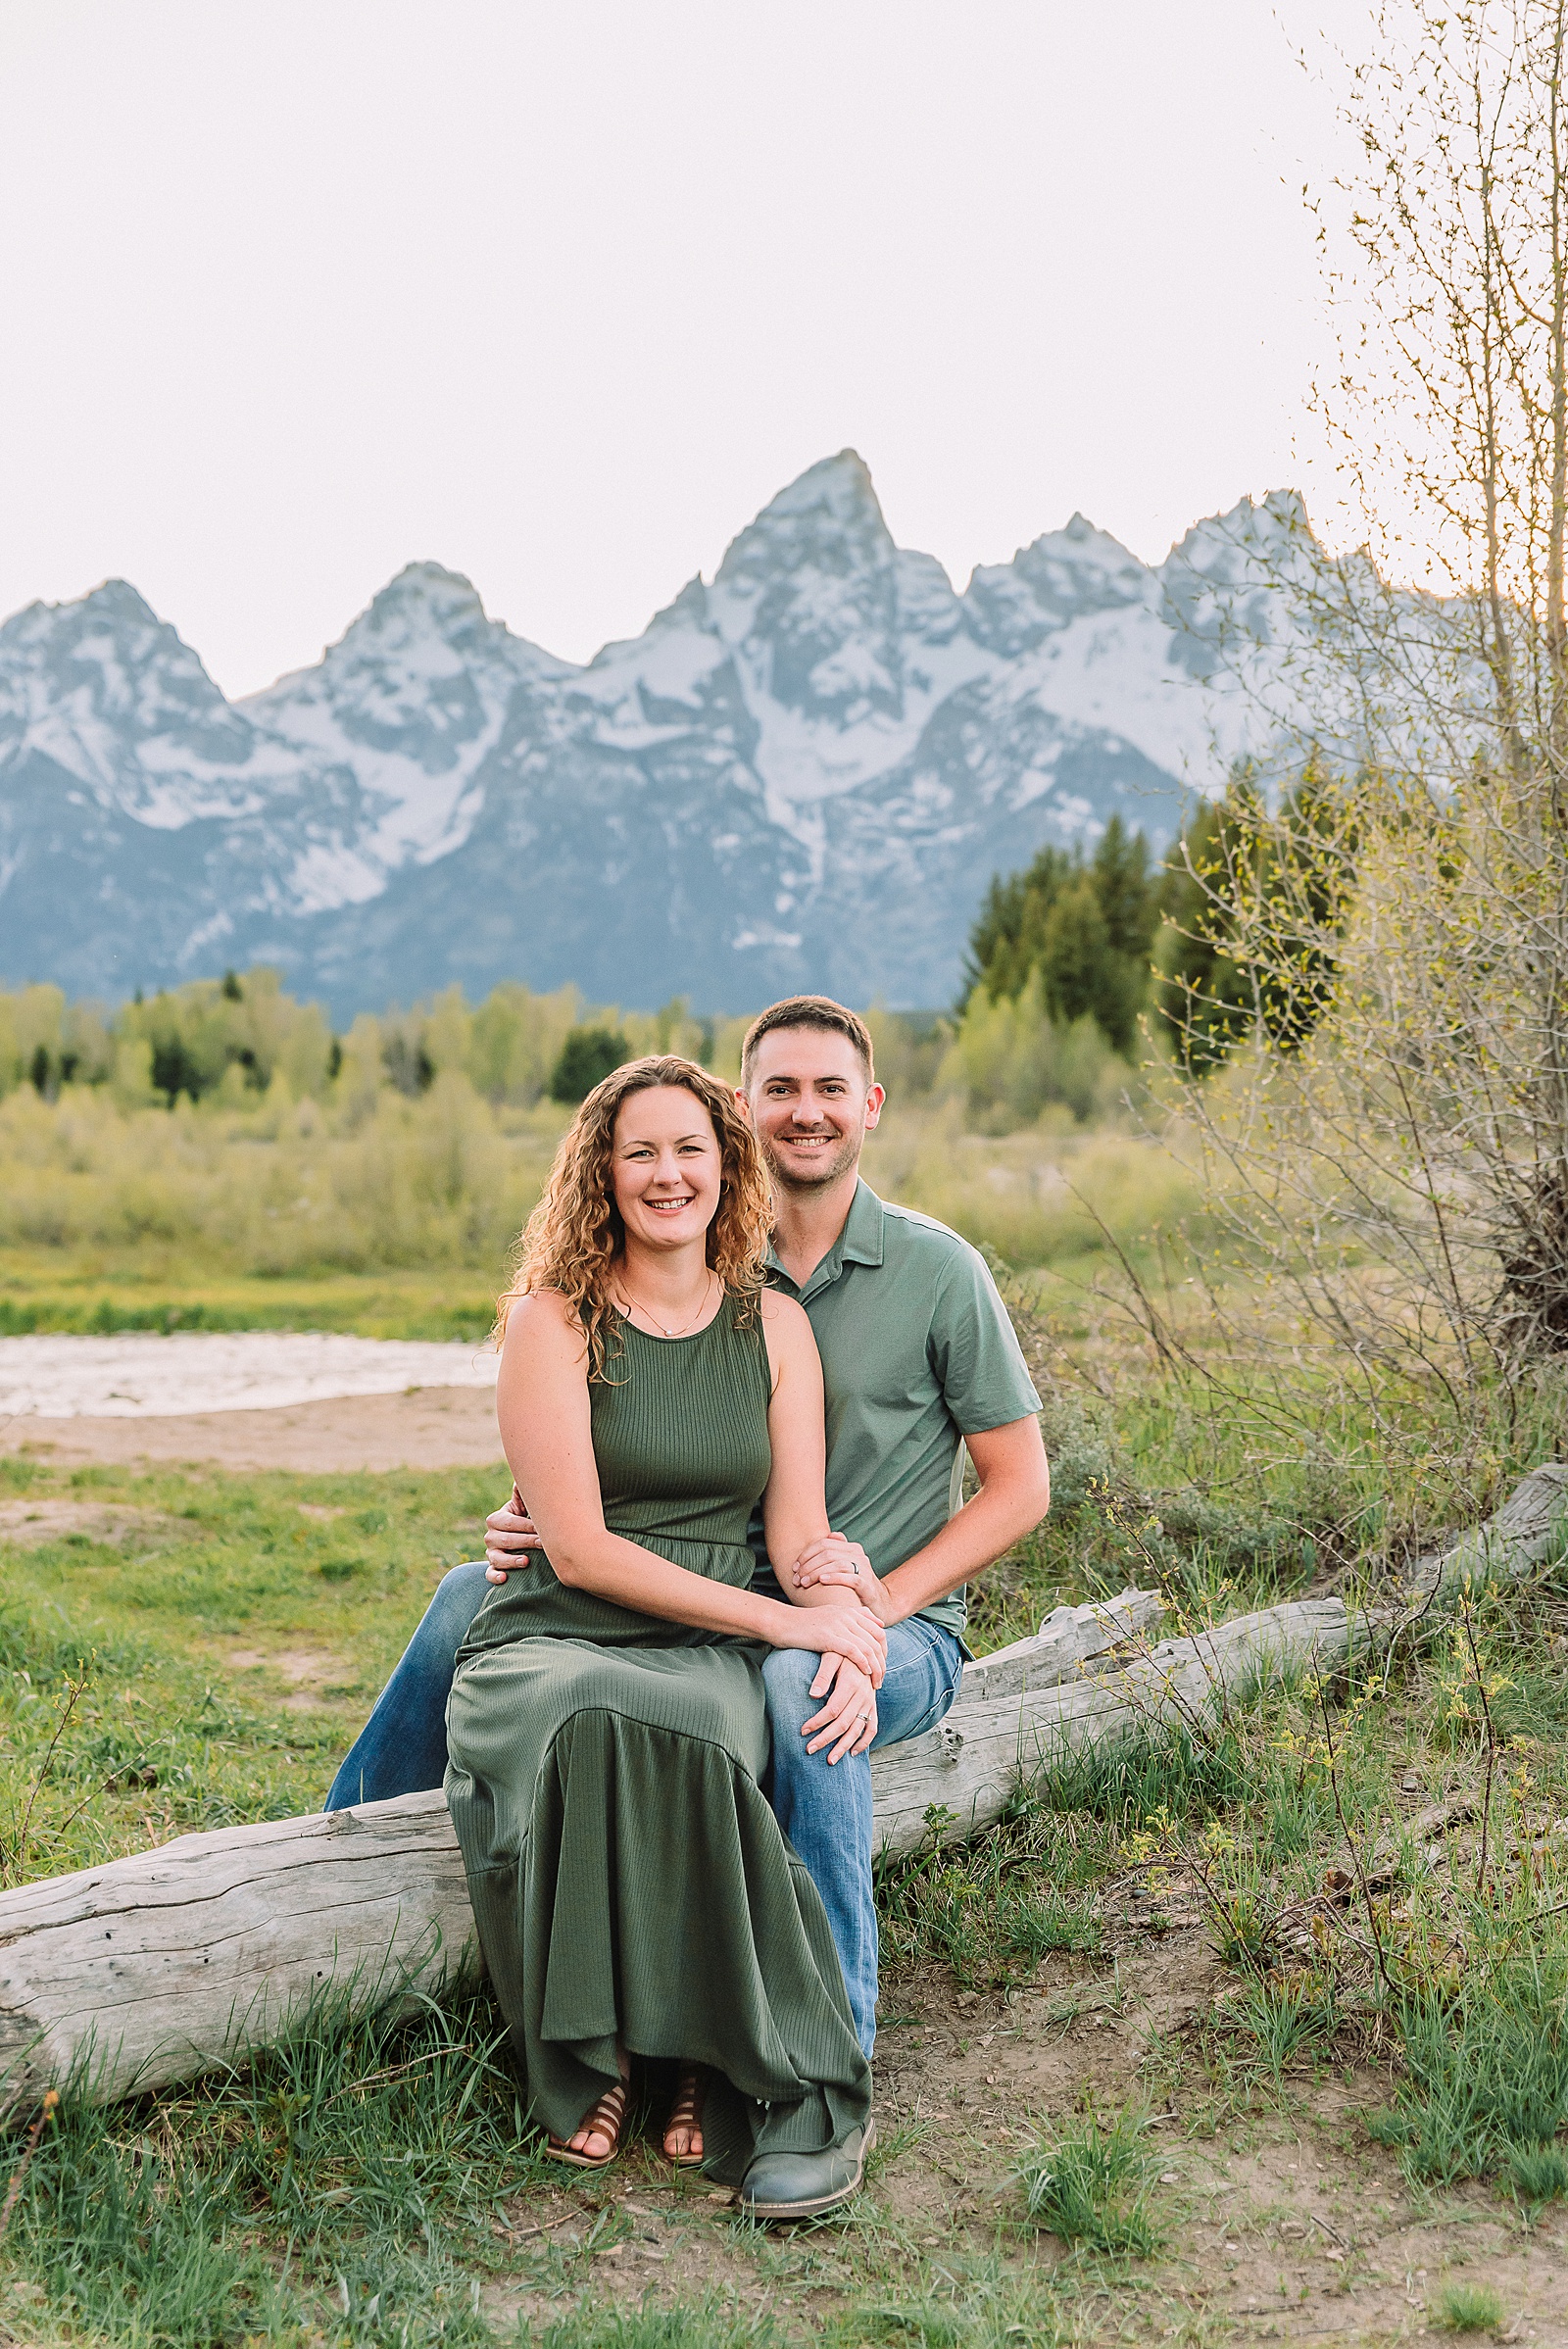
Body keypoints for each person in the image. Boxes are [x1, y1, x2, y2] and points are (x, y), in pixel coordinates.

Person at [326, 995, 1050, 2060]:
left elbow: (1020, 1487)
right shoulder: (707, 1254)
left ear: (871, 1106)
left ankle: (825, 2037)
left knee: (795, 1689)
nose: (807, 1112)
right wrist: (535, 1521)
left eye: (830, 1090)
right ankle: (341, 1865)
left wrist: (870, 1616)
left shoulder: (937, 1270)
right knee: (463, 1599)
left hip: (868, 1617)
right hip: (718, 1592)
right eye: (780, 1091)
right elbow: (632, 1425)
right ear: (742, 1113)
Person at [444, 1053, 882, 2217]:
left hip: (705, 1648)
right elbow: (577, 1550)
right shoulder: (553, 1320)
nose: (666, 1174)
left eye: (689, 1148)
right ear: (601, 1171)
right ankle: (597, 2050)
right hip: (554, 1630)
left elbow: (794, 1531)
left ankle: (699, 2052)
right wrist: (779, 1618)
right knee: (587, 1710)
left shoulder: (774, 1327)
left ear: (725, 1164)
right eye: (639, 1151)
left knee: (693, 1717)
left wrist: (831, 1610)